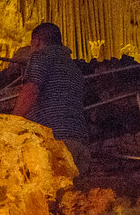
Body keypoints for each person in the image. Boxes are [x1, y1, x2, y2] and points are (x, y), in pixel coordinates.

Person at [12, 22, 90, 174]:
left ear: (37, 42)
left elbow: (31, 90)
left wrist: (11, 122)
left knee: (41, 195)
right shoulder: (74, 68)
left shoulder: (41, 57)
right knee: (69, 197)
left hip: (53, 141)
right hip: (80, 144)